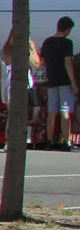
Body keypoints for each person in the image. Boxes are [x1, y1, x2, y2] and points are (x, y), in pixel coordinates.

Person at [41, 16, 77, 150]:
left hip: (51, 81)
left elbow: (43, 62)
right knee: (65, 111)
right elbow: (68, 63)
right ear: (67, 29)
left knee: (52, 112)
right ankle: (65, 142)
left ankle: (49, 142)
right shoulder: (67, 43)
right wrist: (74, 83)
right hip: (64, 81)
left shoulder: (47, 42)